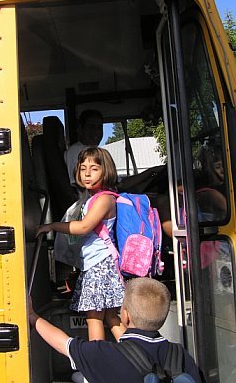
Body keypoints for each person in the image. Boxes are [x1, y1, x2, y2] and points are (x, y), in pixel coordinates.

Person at [29, 278, 204, 383]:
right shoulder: (180, 355)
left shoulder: (104, 354)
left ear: (125, 316)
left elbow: (63, 344)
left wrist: (32, 316)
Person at [37, 146, 125, 343]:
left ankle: (95, 368)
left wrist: (51, 226)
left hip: (99, 266)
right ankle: (138, 358)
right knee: (111, 318)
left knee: (94, 318)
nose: (86, 173)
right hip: (101, 264)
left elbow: (84, 227)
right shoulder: (94, 197)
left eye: (94, 168)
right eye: (83, 167)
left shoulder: (104, 199)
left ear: (106, 170)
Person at [64, 110, 103, 185]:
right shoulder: (76, 152)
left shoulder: (92, 152)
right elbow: (77, 185)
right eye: (91, 127)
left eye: (99, 127)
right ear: (80, 129)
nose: (96, 132)